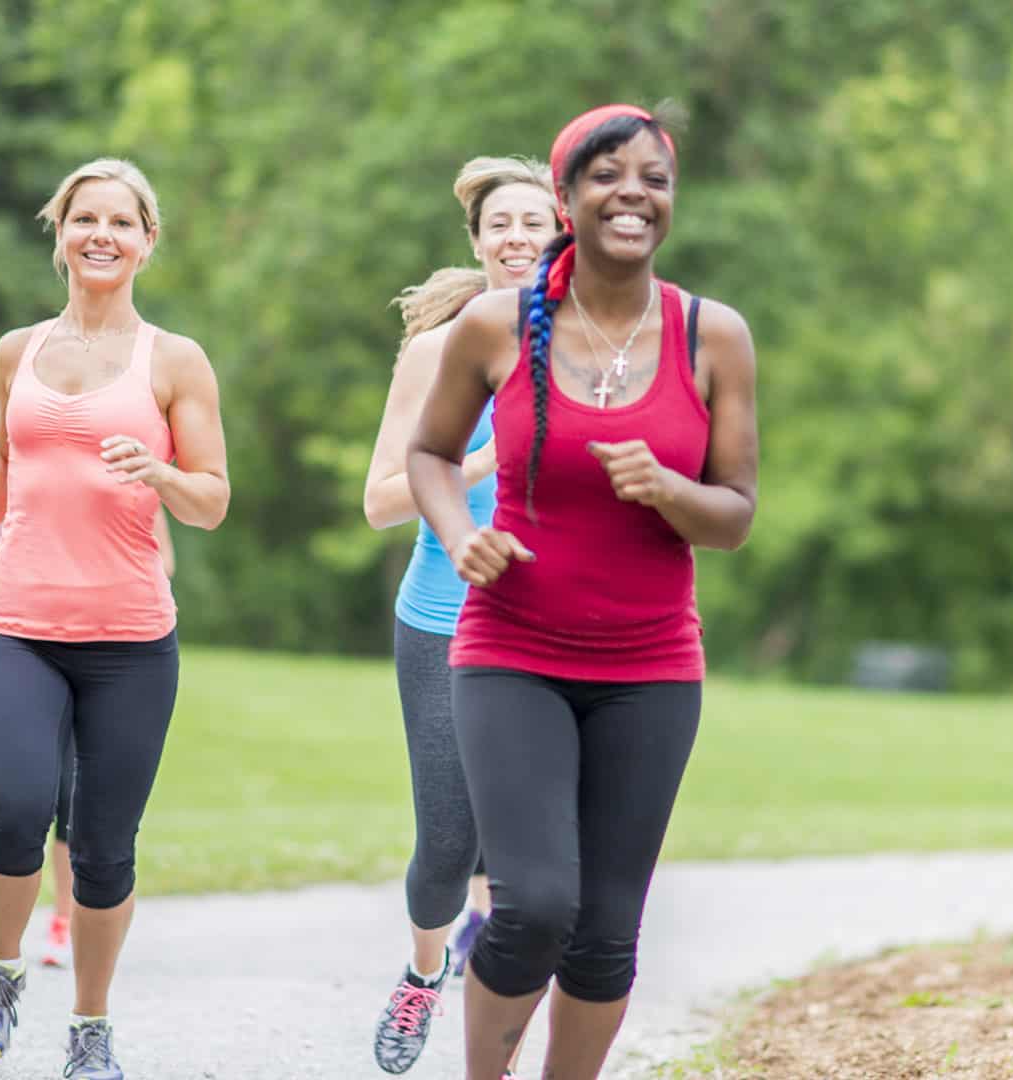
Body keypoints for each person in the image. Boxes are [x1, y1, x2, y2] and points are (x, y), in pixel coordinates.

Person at [406, 104, 759, 1080]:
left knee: (606, 931)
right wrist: (461, 534)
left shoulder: (712, 336)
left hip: (652, 668)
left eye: (654, 178)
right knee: (534, 906)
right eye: (607, 175)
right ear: (566, 199)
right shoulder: (495, 325)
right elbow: (430, 454)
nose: (632, 194)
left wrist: (670, 489)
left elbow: (735, 515)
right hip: (512, 653)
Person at [0, 157, 229, 1080]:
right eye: (84, 218)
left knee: (102, 848)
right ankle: (1, 973)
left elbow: (213, 500)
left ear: (147, 242)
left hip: (132, 640)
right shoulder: (17, 350)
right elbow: (5, 458)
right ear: (59, 234)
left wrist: (162, 473)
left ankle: (90, 1026)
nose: (102, 235)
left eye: (121, 222)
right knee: (15, 808)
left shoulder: (174, 361)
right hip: (21, 622)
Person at [362, 156, 558, 1077]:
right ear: (476, 242)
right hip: (443, 621)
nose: (516, 238)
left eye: (533, 222)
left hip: (552, 628)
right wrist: (474, 463)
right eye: (499, 224)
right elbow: (380, 501)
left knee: (526, 856)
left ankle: (498, 1037)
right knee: (448, 843)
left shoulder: (593, 349)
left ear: (562, 234)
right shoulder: (435, 354)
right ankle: (423, 971)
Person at [0, 438, 177, 970]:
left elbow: (164, 558)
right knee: (24, 798)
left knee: (77, 800)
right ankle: (10, 951)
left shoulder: (125, 458)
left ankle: (65, 916)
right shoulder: (8, 452)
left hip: (112, 644)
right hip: (29, 638)